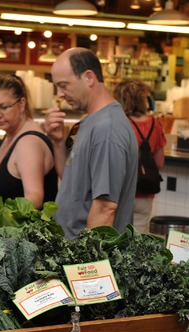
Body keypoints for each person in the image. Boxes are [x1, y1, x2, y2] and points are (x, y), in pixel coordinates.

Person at [44, 47, 139, 239]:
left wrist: (87, 264)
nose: (60, 93)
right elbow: (71, 181)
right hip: (70, 250)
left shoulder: (107, 129)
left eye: (64, 85)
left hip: (83, 259)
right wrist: (57, 141)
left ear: (89, 77)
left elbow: (105, 208)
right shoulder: (87, 123)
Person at [0, 74, 58, 209]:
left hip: (24, 229)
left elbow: (35, 198)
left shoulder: (29, 142)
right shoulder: (11, 134)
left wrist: (4, 219)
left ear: (22, 104)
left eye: (4, 107)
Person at [113, 79, 166, 233]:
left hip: (120, 191)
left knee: (116, 238)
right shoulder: (156, 125)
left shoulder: (118, 123)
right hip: (145, 191)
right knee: (137, 240)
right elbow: (159, 162)